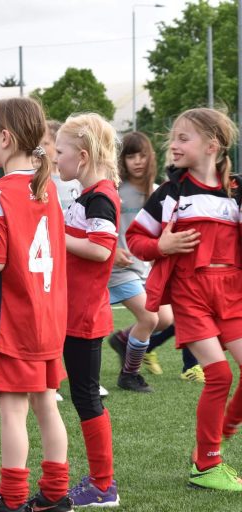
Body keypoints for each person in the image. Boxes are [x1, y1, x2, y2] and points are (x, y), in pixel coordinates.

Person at [0, 97, 71, 512]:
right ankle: (56, 495)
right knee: (46, 405)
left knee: (12, 411)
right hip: (48, 317)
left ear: (5, 139)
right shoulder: (49, 188)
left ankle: (11, 502)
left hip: (15, 319)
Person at [126, 107, 242, 491]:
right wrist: (162, 244)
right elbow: (135, 239)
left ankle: (219, 434)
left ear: (212, 145)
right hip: (191, 297)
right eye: (172, 137)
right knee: (220, 375)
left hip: (232, 294)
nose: (172, 145)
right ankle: (207, 465)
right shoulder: (171, 194)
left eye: (182, 138)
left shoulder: (235, 191)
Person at [54, 113, 121, 507]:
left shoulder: (100, 196)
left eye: (59, 151)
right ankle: (99, 479)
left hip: (84, 315)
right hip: (72, 311)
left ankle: (103, 484)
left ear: (81, 155)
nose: (55, 157)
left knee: (86, 398)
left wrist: (55, 235)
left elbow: (99, 249)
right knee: (81, 396)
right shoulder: (86, 194)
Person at [106, 132, 202, 391]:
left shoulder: (159, 191)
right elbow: (100, 224)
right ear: (121, 160)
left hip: (145, 267)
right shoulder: (115, 191)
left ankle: (123, 339)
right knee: (149, 319)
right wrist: (112, 247)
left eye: (142, 155)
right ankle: (129, 375)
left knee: (165, 319)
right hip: (118, 268)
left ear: (151, 158)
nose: (137, 161)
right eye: (130, 156)